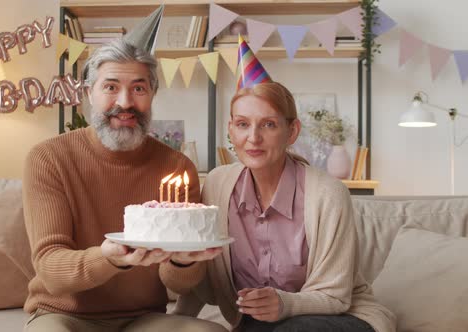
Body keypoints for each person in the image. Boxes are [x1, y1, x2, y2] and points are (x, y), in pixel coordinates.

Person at [171, 38, 396, 332]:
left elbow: (336, 295)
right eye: (242, 124)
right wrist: (174, 321)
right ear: (230, 129)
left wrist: (284, 304)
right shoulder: (216, 184)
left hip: (340, 317)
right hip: (260, 322)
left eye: (268, 124)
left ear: (292, 131)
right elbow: (202, 277)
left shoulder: (328, 194)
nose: (253, 137)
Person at [22, 38, 225, 332]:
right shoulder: (49, 158)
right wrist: (110, 259)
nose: (125, 102)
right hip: (62, 316)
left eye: (139, 88)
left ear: (153, 93)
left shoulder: (177, 167)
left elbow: (180, 285)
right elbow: (51, 269)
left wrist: (183, 262)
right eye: (111, 87)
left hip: (142, 318)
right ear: (89, 92)